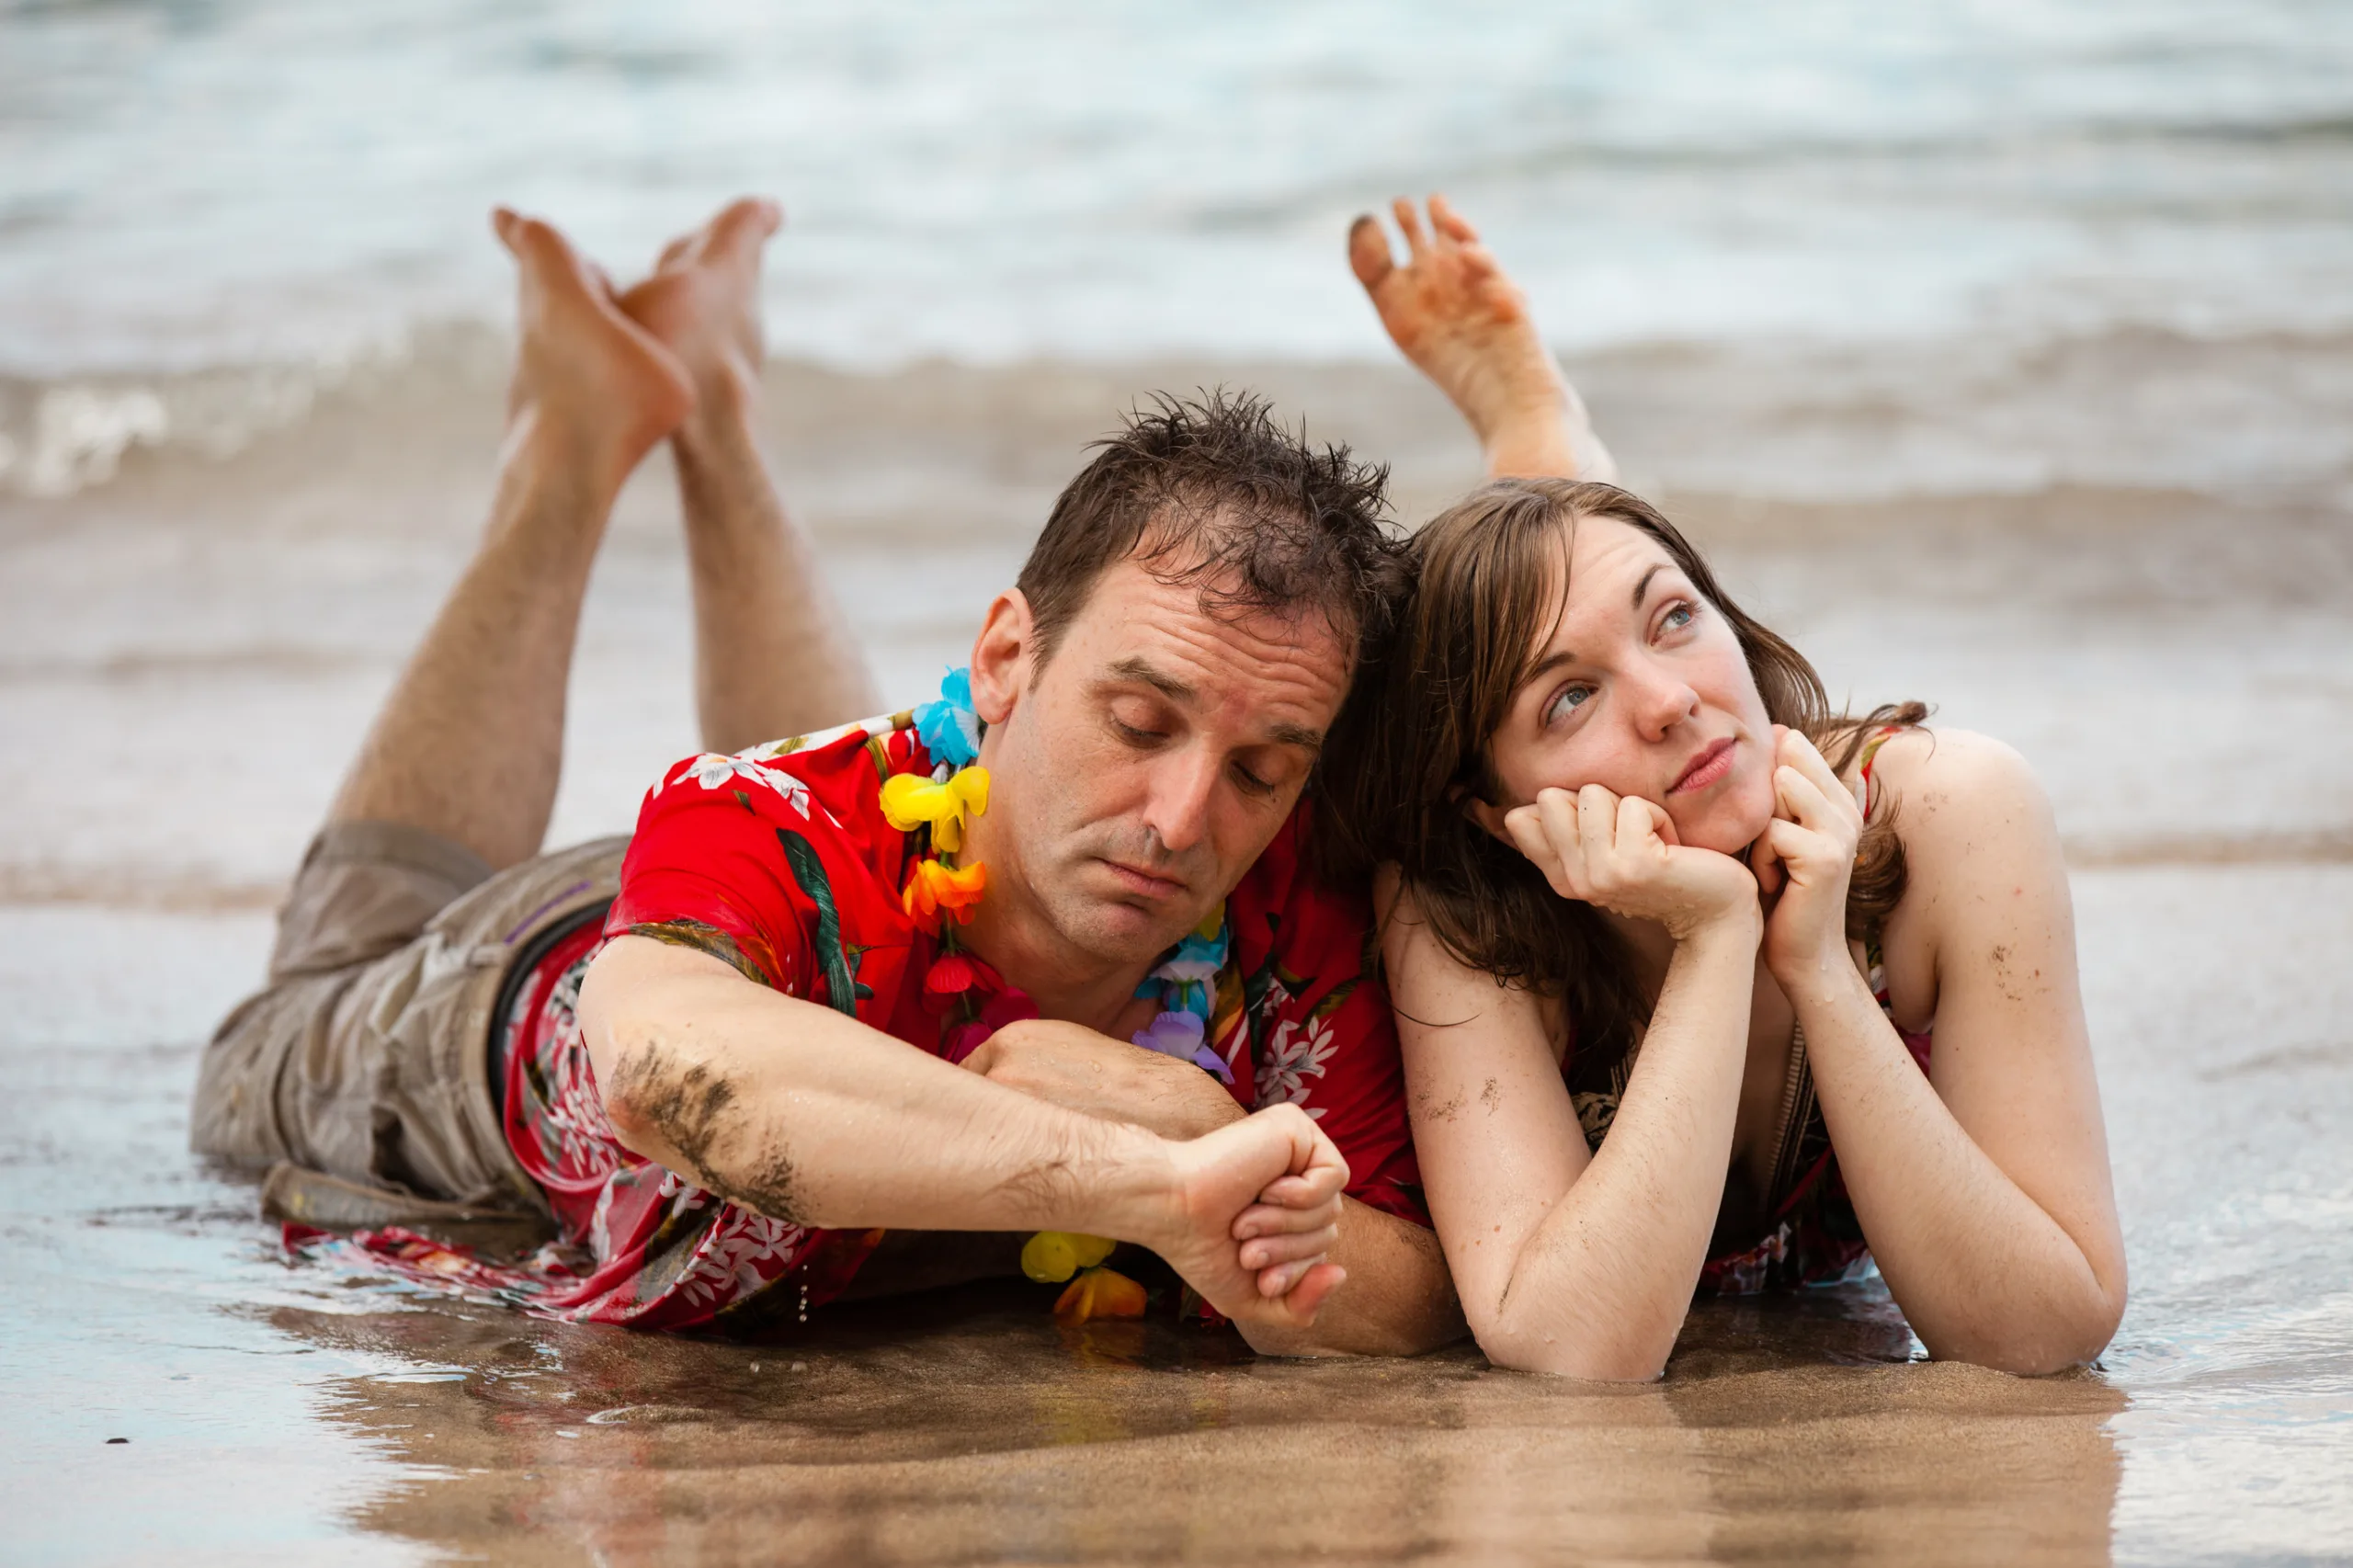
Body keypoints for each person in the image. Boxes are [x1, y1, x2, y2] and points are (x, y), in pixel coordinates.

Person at [191, 197, 1464, 1356]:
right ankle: (569, 447)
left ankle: (717, 404)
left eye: (1259, 766)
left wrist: (1185, 1116)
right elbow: (662, 1072)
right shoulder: (759, 817)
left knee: (855, 883)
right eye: (1138, 721)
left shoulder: (1293, 913)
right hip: (511, 993)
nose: (1185, 819)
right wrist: (1148, 1175)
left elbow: (1412, 1290)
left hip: (832, 901)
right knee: (272, 1031)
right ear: (1007, 658)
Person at [1326, 196, 2129, 1379]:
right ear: (1493, 815)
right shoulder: (1459, 901)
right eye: (1567, 698)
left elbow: (2046, 1331)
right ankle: (1544, 460)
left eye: (1677, 618)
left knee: (1561, 569)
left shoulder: (1950, 811)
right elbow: (1572, 1346)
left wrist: (1817, 969)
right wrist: (1714, 936)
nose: (1669, 699)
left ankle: (1548, 446)